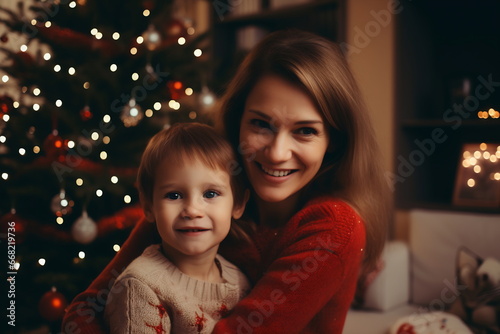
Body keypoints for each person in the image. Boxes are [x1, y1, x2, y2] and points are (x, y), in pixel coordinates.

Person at [62, 29, 390, 334]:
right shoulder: (193, 199)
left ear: (334, 139)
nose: (277, 153)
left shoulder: (334, 226)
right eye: (261, 124)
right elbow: (85, 309)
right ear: (237, 123)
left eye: (305, 131)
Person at [104, 122, 250, 333]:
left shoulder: (240, 281)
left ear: (237, 204)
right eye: (174, 195)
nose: (192, 210)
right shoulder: (139, 288)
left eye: (210, 194)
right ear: (149, 207)